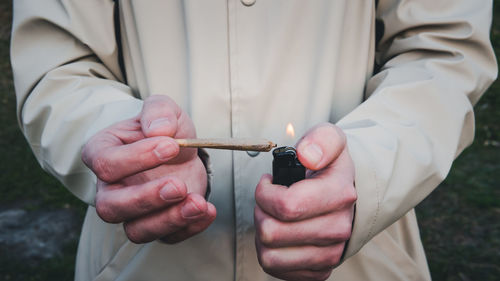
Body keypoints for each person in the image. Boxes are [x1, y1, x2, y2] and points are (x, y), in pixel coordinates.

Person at [11, 0, 496, 280]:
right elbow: (59, 62)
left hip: (365, 263)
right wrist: (135, 147)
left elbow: (443, 51)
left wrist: (370, 169)